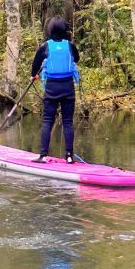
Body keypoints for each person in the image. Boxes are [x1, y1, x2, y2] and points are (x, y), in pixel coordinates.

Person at [30, 16, 80, 164]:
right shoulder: (70, 46)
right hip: (68, 87)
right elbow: (76, 59)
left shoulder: (45, 46)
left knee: (47, 121)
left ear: (50, 30)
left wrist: (34, 75)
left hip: (52, 88)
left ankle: (43, 155)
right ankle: (69, 156)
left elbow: (35, 65)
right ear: (65, 30)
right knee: (68, 122)